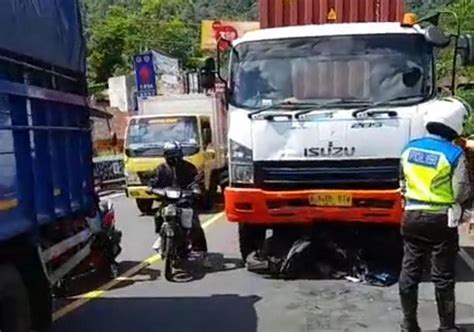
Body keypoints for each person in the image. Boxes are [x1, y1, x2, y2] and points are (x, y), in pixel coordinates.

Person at [399, 101, 471, 332]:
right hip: (441, 219)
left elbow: (402, 181)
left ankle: (409, 324)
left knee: (410, 272)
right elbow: (461, 191)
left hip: (411, 216)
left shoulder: (409, 148)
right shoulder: (453, 153)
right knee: (442, 276)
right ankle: (447, 327)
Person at [151, 141, 211, 268]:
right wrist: (153, 189)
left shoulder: (189, 167)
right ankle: (162, 238)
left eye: (176, 155)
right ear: (165, 155)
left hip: (184, 201)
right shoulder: (160, 169)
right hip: (168, 201)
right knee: (158, 215)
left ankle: (203, 254)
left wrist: (196, 190)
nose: (173, 158)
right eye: (170, 155)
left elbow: (196, 181)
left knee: (195, 224)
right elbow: (154, 183)